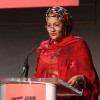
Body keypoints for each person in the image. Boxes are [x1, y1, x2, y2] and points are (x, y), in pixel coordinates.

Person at [34, 6, 99, 100]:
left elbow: (91, 78)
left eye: (56, 25)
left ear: (66, 25)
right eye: (49, 25)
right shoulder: (43, 47)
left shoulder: (77, 44)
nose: (52, 29)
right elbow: (38, 77)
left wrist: (81, 78)